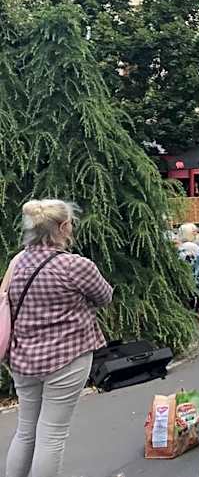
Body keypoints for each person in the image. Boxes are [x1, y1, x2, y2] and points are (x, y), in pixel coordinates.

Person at [5, 199, 113, 477]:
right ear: (64, 227)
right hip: (67, 357)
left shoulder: (17, 262)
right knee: (52, 434)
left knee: (25, 431)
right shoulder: (75, 266)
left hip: (22, 359)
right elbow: (105, 297)